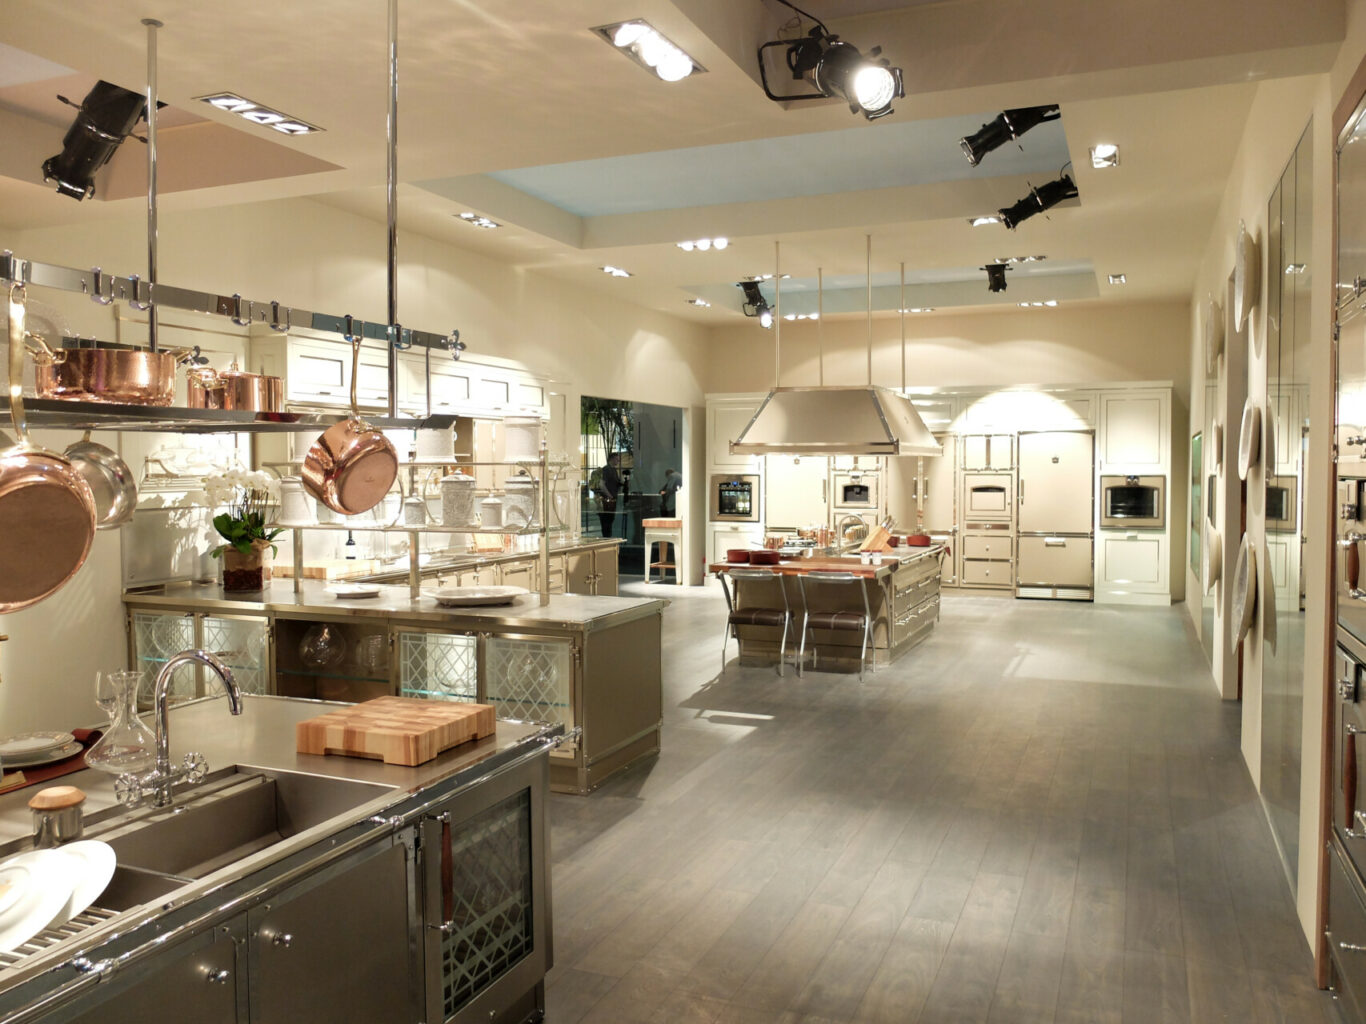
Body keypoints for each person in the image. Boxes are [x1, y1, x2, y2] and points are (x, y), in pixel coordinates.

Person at [596, 453, 621, 537]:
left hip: (611, 500)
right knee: (606, 521)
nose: (618, 461)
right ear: (612, 459)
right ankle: (606, 539)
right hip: (607, 501)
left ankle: (608, 538)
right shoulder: (606, 470)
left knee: (609, 521)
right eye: (617, 459)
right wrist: (609, 496)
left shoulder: (613, 470)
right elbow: (601, 484)